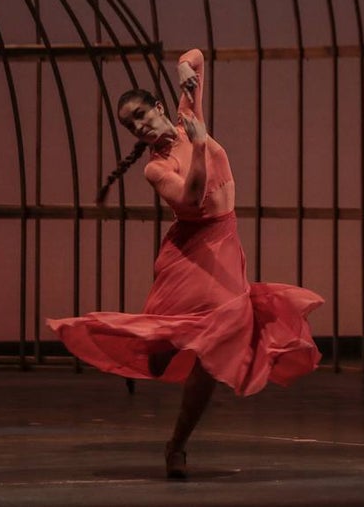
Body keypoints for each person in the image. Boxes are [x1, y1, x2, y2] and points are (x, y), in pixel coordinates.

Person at [47, 49, 323, 478]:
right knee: (169, 350)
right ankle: (150, 355)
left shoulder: (185, 112)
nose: (139, 126)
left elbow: (195, 57)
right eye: (129, 125)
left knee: (212, 352)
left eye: (141, 114)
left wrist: (182, 71)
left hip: (223, 248)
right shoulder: (156, 169)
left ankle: (176, 445)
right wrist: (197, 143)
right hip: (189, 257)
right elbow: (192, 198)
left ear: (159, 107)